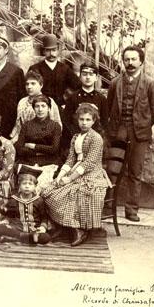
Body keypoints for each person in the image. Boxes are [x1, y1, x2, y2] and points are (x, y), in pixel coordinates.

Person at [41, 103, 112, 246]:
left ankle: (78, 230)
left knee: (73, 193)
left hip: (92, 174)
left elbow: (89, 163)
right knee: (49, 192)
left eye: (88, 120)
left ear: (93, 121)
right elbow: (71, 159)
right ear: (77, 120)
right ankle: (62, 226)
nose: (84, 123)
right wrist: (60, 176)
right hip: (75, 169)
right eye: (81, 119)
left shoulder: (96, 138)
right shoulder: (75, 137)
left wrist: (69, 179)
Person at [106, 46, 154, 222]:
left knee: (135, 171)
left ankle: (131, 209)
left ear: (141, 61)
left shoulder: (150, 84)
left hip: (139, 133)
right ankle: (107, 206)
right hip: (119, 130)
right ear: (123, 61)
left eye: (133, 59)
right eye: (127, 59)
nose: (130, 63)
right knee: (112, 170)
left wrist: (143, 124)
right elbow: (109, 107)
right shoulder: (115, 83)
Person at [0, 169, 51, 245]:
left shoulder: (39, 200)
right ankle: (27, 238)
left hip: (34, 230)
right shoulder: (13, 199)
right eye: (24, 184)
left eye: (30, 184)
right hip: (17, 228)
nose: (27, 186)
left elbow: (44, 217)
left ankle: (17, 238)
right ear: (19, 186)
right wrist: (6, 221)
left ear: (35, 186)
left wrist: (43, 227)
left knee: (46, 237)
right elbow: (9, 216)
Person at [27, 34, 80, 108]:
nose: (51, 54)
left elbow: (78, 86)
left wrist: (66, 99)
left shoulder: (65, 69)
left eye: (54, 50)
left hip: (60, 107)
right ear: (44, 51)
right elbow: (28, 89)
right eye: (48, 50)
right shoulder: (35, 68)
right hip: (40, 107)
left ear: (58, 51)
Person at [10, 69, 62, 143]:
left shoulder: (49, 101)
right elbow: (19, 126)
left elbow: (57, 124)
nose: (29, 87)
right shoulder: (22, 102)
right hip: (22, 139)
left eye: (33, 83)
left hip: (43, 141)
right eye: (27, 84)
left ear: (41, 85)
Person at [63, 61, 109, 141]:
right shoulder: (72, 98)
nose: (88, 77)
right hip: (76, 138)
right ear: (80, 77)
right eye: (84, 74)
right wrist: (77, 136)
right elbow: (67, 122)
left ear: (96, 78)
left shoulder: (102, 99)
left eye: (91, 74)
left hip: (95, 139)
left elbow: (104, 123)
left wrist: (96, 137)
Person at [14, 95, 62, 167]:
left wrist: (34, 146)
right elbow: (19, 148)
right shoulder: (26, 125)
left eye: (43, 106)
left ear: (48, 108)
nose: (40, 109)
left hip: (49, 161)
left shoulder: (55, 126)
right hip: (28, 161)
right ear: (33, 108)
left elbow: (54, 149)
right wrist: (37, 153)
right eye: (37, 106)